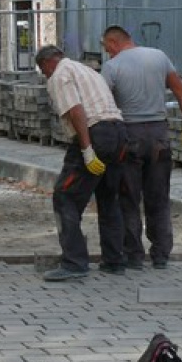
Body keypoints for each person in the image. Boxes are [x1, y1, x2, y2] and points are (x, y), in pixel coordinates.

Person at [101, 25, 182, 270]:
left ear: (113, 42)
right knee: (159, 197)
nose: (107, 52)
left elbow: (104, 103)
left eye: (106, 47)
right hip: (159, 135)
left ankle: (133, 255)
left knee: (129, 198)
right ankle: (161, 254)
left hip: (129, 136)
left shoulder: (112, 67)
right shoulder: (159, 56)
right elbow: (180, 90)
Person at [34, 45, 127, 282]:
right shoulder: (88, 71)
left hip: (95, 134)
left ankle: (74, 263)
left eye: (43, 71)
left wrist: (86, 150)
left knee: (64, 196)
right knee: (108, 197)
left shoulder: (60, 75)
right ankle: (114, 260)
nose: (46, 76)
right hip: (118, 133)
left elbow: (76, 112)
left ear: (47, 63)